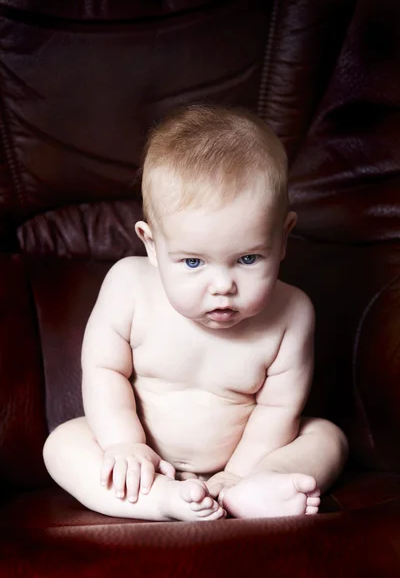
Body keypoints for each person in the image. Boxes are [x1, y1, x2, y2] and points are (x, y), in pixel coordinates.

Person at [43, 105, 348, 521]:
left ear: (283, 238)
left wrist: (237, 474)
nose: (222, 285)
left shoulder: (292, 314)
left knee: (327, 438)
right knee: (62, 444)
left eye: (247, 258)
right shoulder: (128, 287)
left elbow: (278, 411)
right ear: (151, 245)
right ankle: (160, 501)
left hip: (247, 461)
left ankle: (258, 489)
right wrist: (124, 444)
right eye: (192, 262)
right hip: (143, 459)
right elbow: (104, 371)